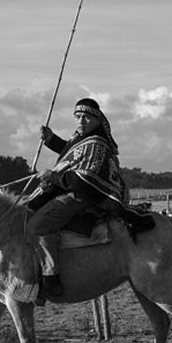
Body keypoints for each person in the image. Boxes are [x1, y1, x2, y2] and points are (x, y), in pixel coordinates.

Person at [27, 97, 128, 298]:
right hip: (69, 188)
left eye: (86, 117)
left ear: (98, 120)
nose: (81, 121)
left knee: (37, 227)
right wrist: (50, 139)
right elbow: (71, 154)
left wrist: (53, 176)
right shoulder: (80, 138)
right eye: (77, 116)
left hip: (82, 195)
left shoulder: (98, 143)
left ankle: (50, 279)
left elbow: (84, 179)